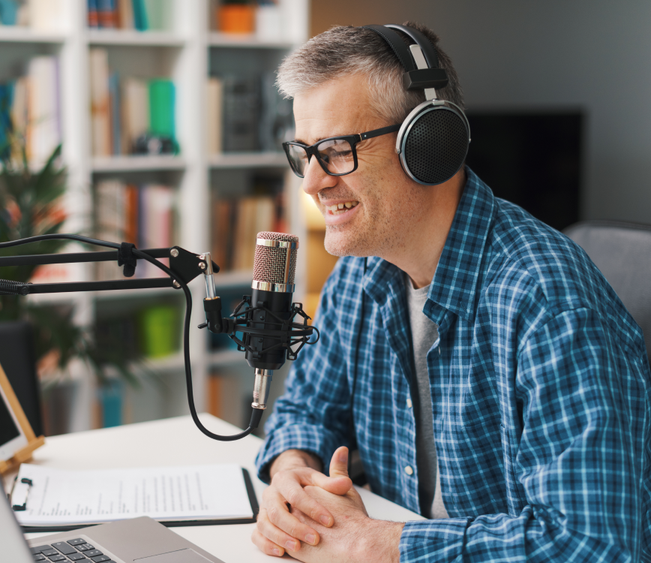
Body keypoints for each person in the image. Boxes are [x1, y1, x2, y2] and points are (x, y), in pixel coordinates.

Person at [251, 22, 651, 563]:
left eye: (337, 150)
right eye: (304, 152)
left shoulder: (547, 301)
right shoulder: (358, 275)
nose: (311, 183)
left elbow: (593, 544)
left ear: (430, 142)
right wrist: (292, 472)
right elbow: (306, 408)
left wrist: (377, 545)